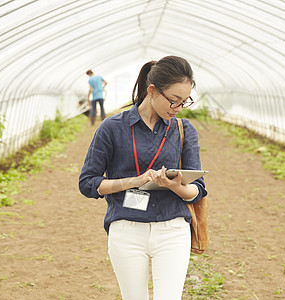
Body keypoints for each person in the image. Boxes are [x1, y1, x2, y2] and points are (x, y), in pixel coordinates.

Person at [79, 56, 207, 300]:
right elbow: (87, 183)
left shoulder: (184, 129)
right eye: (173, 100)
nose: (178, 108)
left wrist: (176, 186)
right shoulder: (112, 128)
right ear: (152, 91)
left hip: (172, 229)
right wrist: (133, 181)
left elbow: (197, 190)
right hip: (127, 229)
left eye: (184, 102)